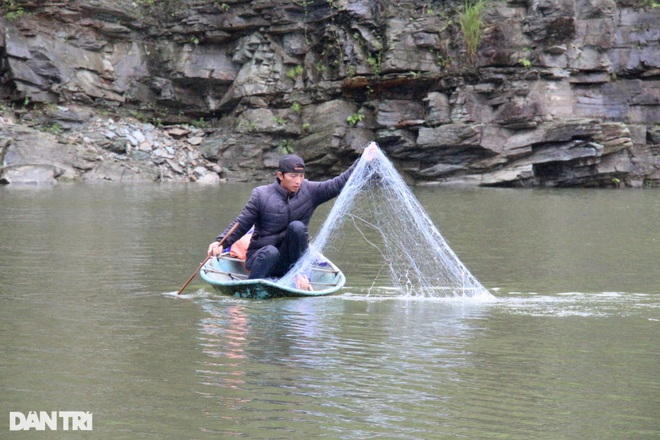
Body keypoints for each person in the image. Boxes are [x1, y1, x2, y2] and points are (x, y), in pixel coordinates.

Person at [208, 143, 377, 280]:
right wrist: (220, 243)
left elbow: (338, 183)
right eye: (293, 177)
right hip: (261, 258)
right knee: (270, 251)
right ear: (280, 175)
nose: (298, 181)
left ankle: (298, 275)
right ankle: (253, 285)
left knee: (297, 226)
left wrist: (362, 161)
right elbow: (242, 223)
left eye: (301, 176)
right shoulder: (261, 194)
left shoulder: (310, 191)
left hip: (290, 262)